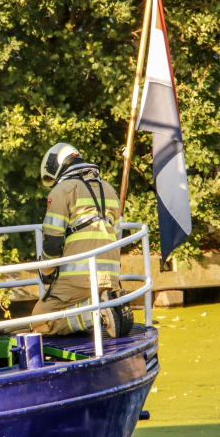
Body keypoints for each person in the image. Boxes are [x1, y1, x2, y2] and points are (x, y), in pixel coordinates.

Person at [31, 143, 133, 338]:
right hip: (111, 276)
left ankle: (98, 313)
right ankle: (108, 303)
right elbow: (116, 235)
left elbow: (52, 244)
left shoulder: (62, 191)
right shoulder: (109, 190)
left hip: (80, 279)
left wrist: (46, 271)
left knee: (39, 322)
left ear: (57, 166)